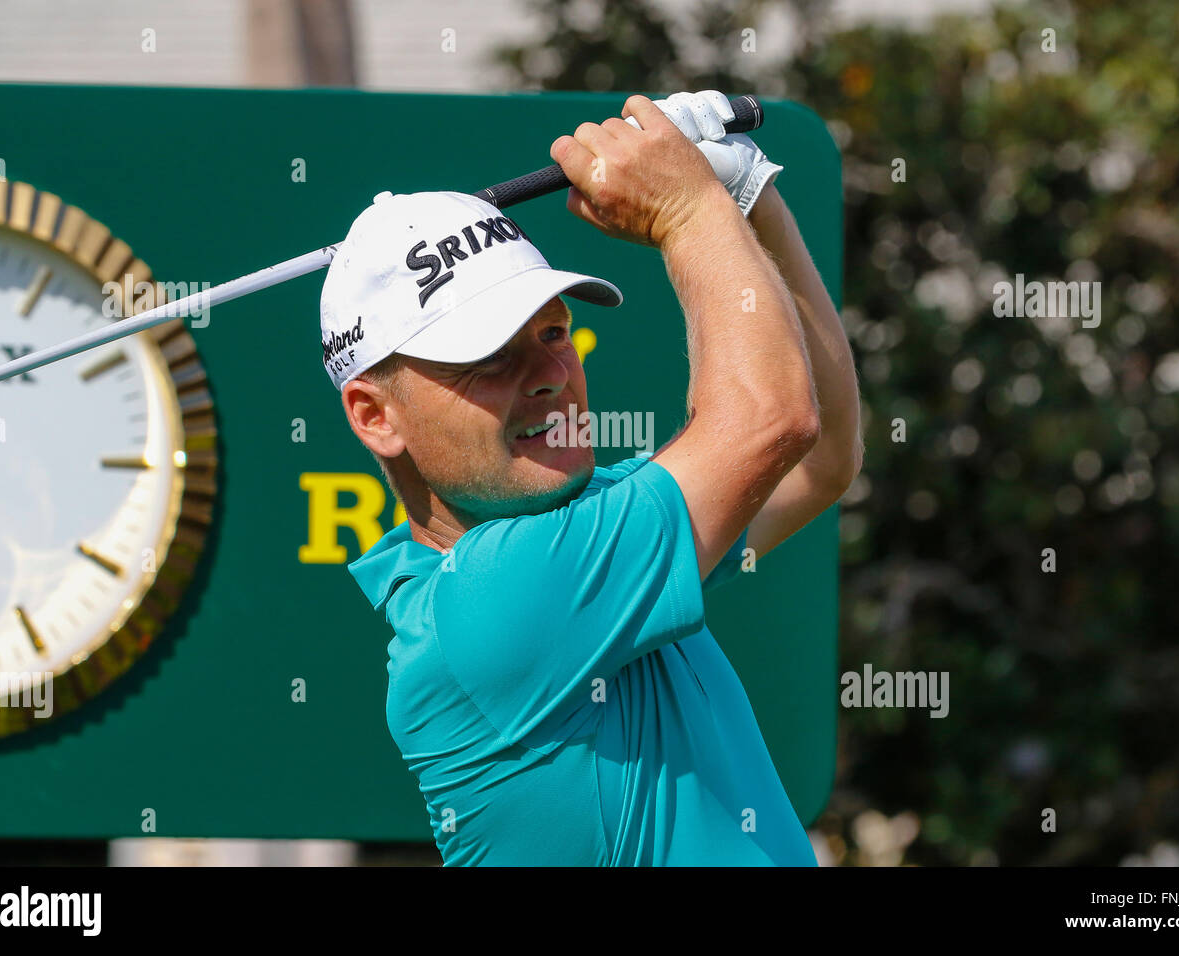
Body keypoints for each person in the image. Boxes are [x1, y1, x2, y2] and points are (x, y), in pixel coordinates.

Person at [320, 90, 862, 865]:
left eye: (552, 332)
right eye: (489, 356)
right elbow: (772, 423)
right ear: (376, 416)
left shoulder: (581, 531)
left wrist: (746, 201)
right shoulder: (494, 601)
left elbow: (819, 461)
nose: (547, 374)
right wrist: (687, 210)